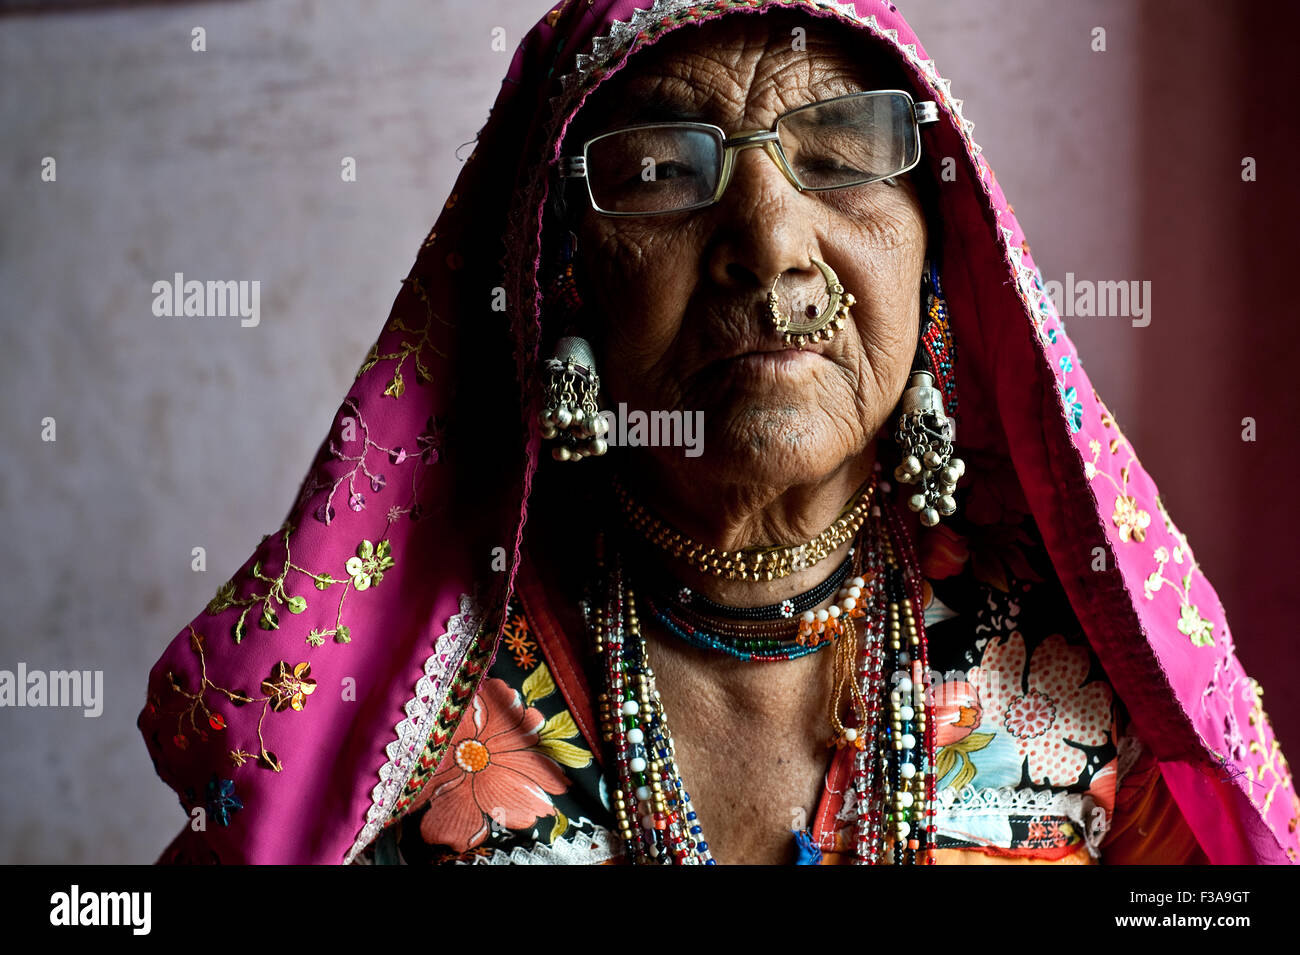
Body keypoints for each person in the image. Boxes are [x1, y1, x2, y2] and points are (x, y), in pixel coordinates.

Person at [138, 0, 1299, 865]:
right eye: (658, 171)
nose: (771, 239)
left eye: (842, 156)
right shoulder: (400, 731)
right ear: (564, 278)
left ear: (936, 248)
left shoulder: (1086, 697)